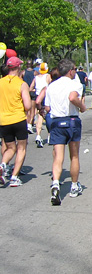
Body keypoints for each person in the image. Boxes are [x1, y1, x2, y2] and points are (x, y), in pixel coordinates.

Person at [44, 59, 87, 205]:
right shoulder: (75, 84)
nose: (75, 71)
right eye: (75, 69)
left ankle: (56, 183)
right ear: (70, 71)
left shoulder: (51, 86)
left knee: (58, 156)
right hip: (71, 120)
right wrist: (82, 106)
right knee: (74, 155)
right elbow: (72, 97)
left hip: (56, 121)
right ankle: (74, 186)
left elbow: (47, 108)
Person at [0, 57, 32, 187]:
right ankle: (14, 177)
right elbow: (28, 105)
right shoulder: (21, 83)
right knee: (21, 147)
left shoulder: (0, 82)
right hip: (18, 118)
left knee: (10, 148)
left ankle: (3, 165)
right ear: (18, 68)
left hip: (4, 120)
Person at [31, 62, 52, 149]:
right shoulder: (48, 76)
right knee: (48, 116)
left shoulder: (36, 78)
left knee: (40, 116)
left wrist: (36, 89)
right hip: (46, 96)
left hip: (38, 96)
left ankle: (38, 135)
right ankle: (49, 136)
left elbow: (30, 88)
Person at [22, 59, 36, 133]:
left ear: (26, 65)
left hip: (25, 92)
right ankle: (30, 124)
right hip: (33, 92)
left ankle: (27, 124)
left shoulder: (23, 72)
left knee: (26, 110)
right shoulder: (35, 72)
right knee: (32, 109)